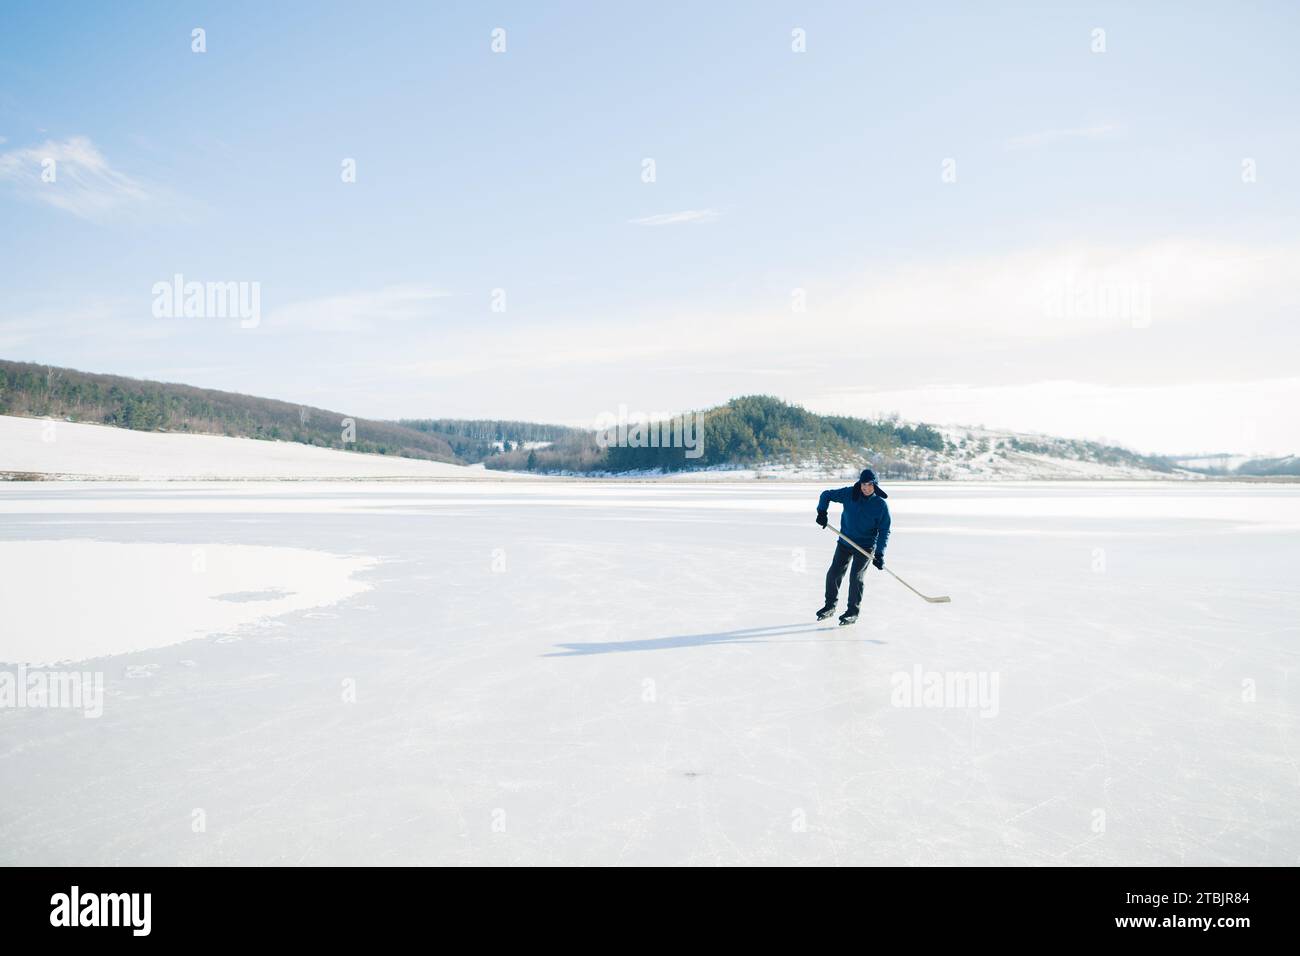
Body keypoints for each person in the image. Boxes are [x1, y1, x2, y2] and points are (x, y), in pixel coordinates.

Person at [814, 468, 891, 625]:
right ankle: (830, 606)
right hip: (845, 541)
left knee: (856, 578)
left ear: (875, 485)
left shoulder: (880, 505)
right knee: (833, 574)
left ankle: (852, 612)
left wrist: (880, 554)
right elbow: (826, 495)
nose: (865, 488)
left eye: (869, 485)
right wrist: (822, 512)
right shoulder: (850, 494)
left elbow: (884, 531)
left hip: (865, 547)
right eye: (863, 484)